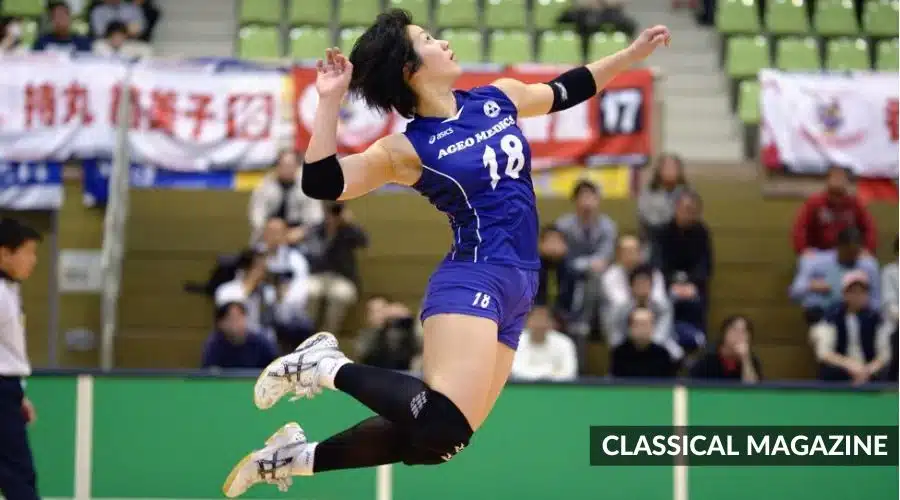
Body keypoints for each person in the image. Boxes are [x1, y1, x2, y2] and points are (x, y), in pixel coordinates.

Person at [222, 10, 670, 496]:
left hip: (521, 285)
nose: (444, 43)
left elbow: (568, 88)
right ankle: (324, 366)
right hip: (473, 276)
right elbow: (323, 182)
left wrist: (630, 55)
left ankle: (290, 460)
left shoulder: (499, 97)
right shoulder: (406, 149)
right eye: (429, 40)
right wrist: (329, 101)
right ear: (410, 70)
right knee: (444, 421)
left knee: (437, 441)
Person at [0, 218, 41, 500]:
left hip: (7, 389)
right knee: (18, 474)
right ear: (4, 253)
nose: (33, 260)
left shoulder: (9, 291)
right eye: (27, 252)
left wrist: (19, 394)